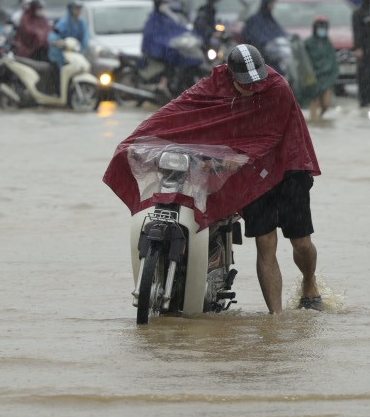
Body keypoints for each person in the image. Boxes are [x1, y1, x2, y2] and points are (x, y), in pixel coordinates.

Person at [103, 43, 323, 313]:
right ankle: (275, 318)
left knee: (301, 242)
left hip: (288, 165)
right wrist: (137, 141)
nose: (253, 87)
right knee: (265, 242)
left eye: (257, 81)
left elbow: (271, 136)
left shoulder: (277, 88)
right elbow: (177, 111)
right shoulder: (214, 86)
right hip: (251, 173)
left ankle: (309, 282)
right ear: (230, 76)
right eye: (245, 83)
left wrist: (238, 156)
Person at [300, 16, 339, 121]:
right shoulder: (308, 43)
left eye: (324, 27)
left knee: (326, 104)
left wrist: (332, 74)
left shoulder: (328, 44)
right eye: (320, 27)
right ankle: (314, 123)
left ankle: (320, 120)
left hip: (327, 78)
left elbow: (332, 61)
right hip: (314, 78)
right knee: (314, 101)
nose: (322, 30)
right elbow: (304, 61)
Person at [49, 0, 90, 65]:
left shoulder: (82, 23)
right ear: (71, 10)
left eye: (80, 8)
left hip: (77, 51)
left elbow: (86, 37)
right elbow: (55, 34)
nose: (78, 11)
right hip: (63, 52)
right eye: (76, 9)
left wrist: (81, 48)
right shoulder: (63, 23)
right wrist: (57, 42)